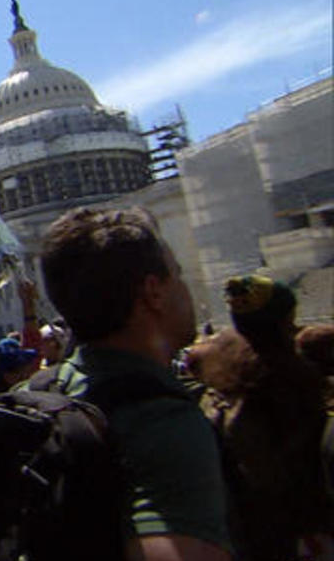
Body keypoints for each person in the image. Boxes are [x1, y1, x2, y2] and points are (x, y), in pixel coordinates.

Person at [37, 206, 232, 560]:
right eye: (178, 275)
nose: (187, 290)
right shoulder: (164, 422)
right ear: (154, 292)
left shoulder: (34, 394)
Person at [193, 277, 333, 559]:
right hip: (301, 533)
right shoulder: (294, 382)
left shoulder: (217, 386)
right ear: (284, 320)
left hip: (249, 534)